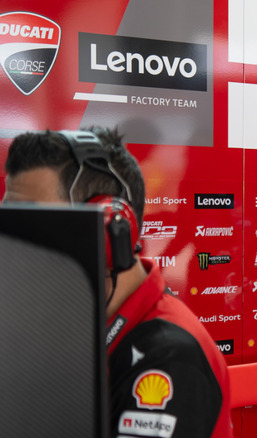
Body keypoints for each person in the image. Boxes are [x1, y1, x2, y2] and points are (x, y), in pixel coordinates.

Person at [2, 128, 233, 438]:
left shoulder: (171, 357)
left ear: (109, 231)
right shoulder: (64, 321)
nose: (16, 245)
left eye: (32, 224)